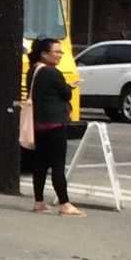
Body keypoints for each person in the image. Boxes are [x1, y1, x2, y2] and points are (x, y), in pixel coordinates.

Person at [28, 36, 82, 215]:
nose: (60, 55)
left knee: (41, 164)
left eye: (61, 52)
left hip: (39, 124)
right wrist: (69, 87)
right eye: (56, 52)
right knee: (58, 165)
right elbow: (66, 93)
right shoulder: (52, 72)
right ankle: (65, 204)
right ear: (44, 54)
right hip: (55, 124)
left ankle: (39, 202)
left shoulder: (33, 71)